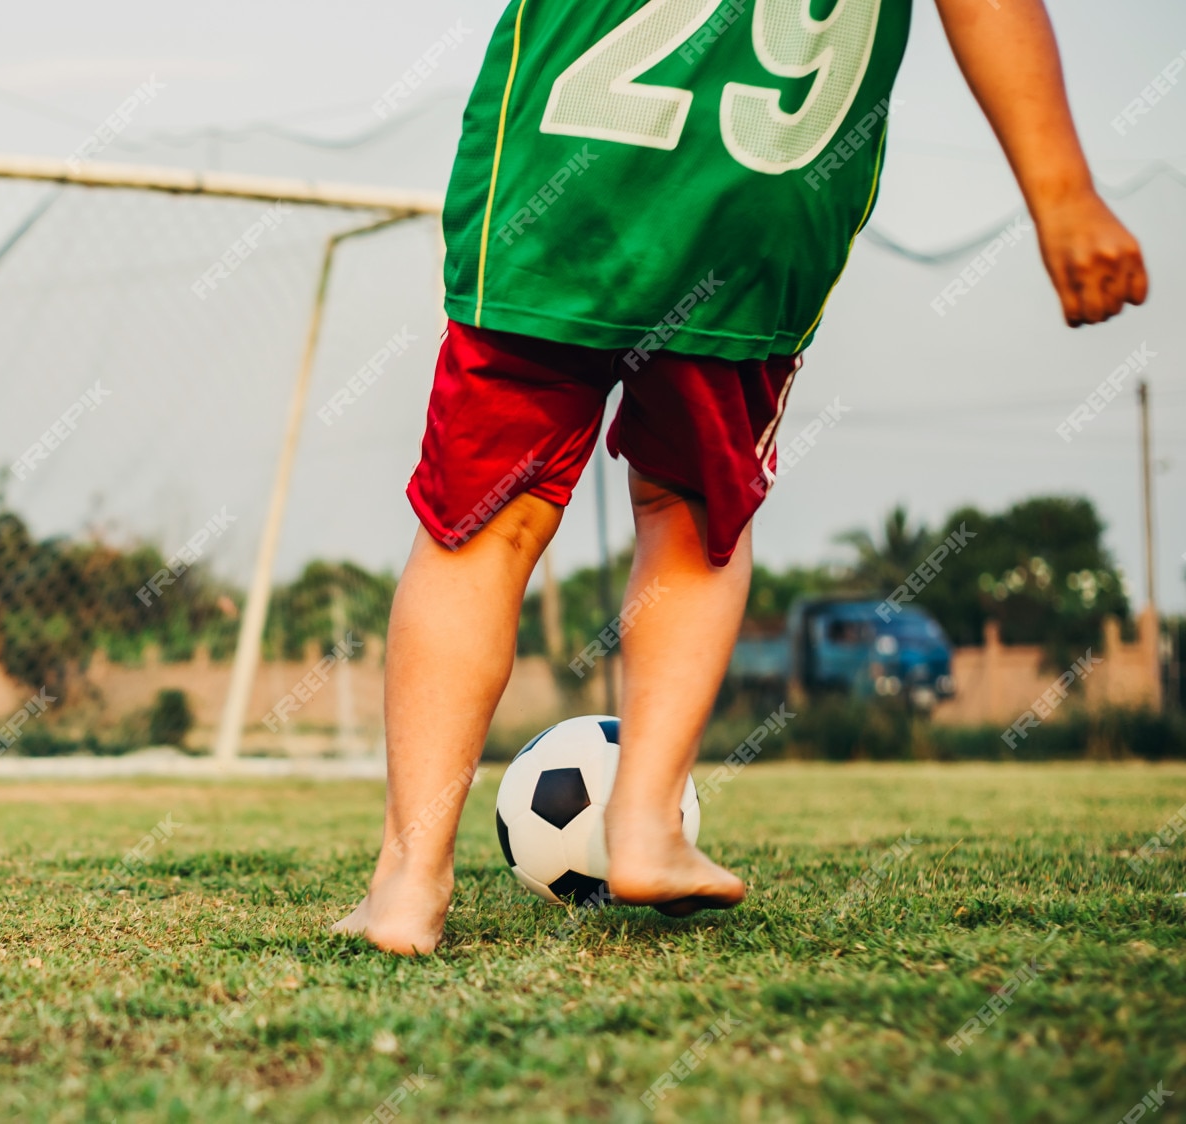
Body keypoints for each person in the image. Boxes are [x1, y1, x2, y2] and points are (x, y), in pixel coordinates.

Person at [336, 0, 1146, 954]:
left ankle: (409, 881)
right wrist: (1062, 191)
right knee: (691, 514)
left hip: (565, 178)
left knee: (484, 523)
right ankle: (644, 826)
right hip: (760, 199)